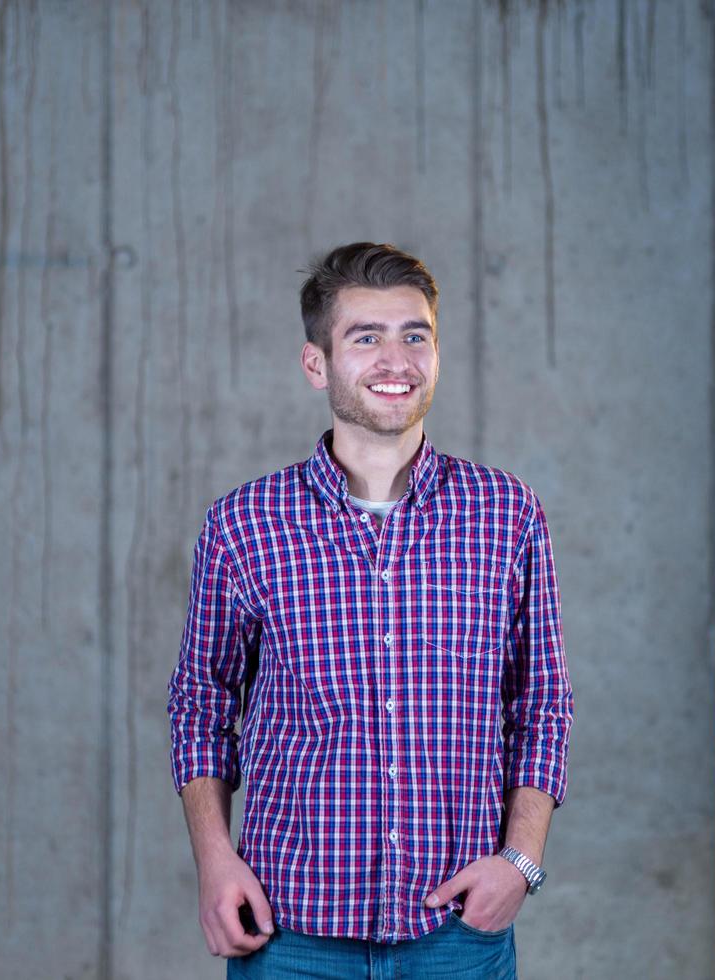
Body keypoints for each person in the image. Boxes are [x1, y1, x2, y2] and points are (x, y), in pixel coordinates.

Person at [167, 242, 574, 978]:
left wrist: (521, 862)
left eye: (414, 335)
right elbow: (200, 704)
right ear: (316, 364)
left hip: (455, 933)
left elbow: (541, 701)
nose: (397, 359)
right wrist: (214, 861)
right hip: (287, 933)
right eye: (366, 337)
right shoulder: (243, 525)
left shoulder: (507, 515)